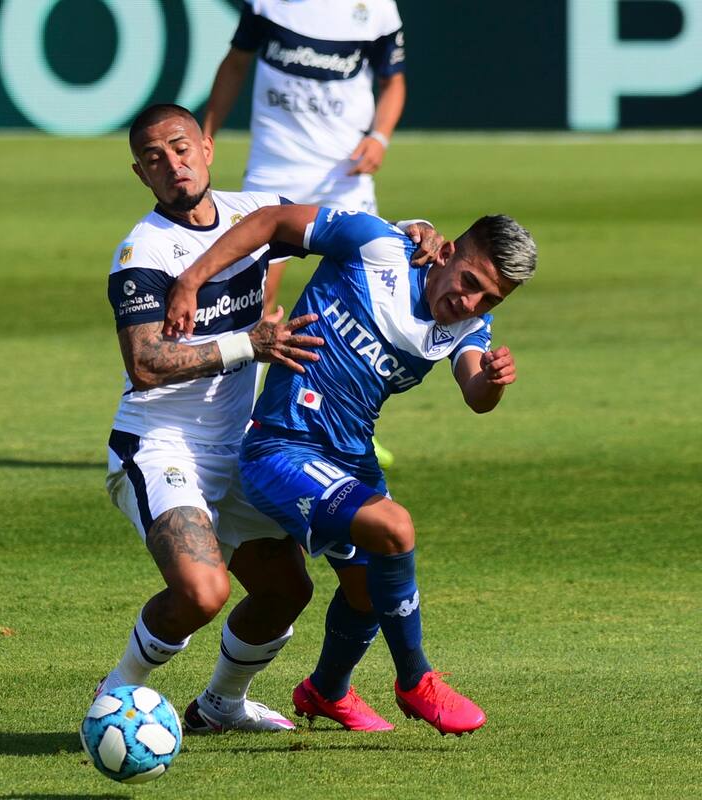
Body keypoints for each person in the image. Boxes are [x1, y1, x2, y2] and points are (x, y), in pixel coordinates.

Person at [163, 206, 536, 735]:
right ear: (448, 252)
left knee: (367, 591)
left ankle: (326, 691)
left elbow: (475, 392)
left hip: (348, 457)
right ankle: (416, 679)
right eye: (470, 282)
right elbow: (272, 221)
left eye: (489, 298)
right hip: (280, 447)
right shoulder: (375, 244)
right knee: (395, 527)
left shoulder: (471, 325)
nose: (468, 302)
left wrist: (495, 380)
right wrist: (191, 279)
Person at [100, 103, 324, 734]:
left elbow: (341, 231)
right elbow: (145, 363)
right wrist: (247, 345)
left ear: (207, 147)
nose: (172, 165)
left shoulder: (254, 213)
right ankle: (114, 693)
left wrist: (411, 228)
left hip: (236, 451)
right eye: (153, 159)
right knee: (203, 593)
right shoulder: (142, 251)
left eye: (180, 148)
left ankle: (220, 705)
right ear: (141, 175)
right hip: (158, 445)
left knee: (287, 592)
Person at [203, 0, 407, 467]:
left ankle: (348, 428)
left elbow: (393, 81)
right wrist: (206, 133)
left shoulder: (375, 9)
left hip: (344, 177)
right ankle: (233, 431)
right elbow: (235, 65)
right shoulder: (267, 3)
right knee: (250, 302)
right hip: (274, 169)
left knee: (366, 309)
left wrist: (379, 137)